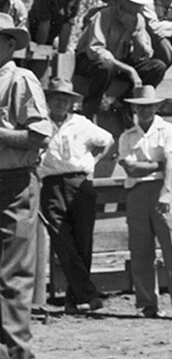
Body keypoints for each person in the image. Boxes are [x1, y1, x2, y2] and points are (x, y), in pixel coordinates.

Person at [0, 14, 51, 359]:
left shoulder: (20, 80)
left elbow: (38, 136)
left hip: (15, 184)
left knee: (12, 277)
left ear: (8, 44)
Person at [117, 85, 172, 320]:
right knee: (141, 250)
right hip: (137, 192)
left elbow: (171, 161)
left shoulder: (169, 130)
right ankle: (147, 304)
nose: (145, 110)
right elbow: (131, 169)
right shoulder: (127, 136)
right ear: (133, 107)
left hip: (165, 189)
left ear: (157, 106)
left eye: (150, 106)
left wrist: (166, 188)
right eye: (140, 106)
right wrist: (161, 165)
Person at [37, 79, 113, 314]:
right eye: (57, 98)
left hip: (80, 182)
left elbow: (107, 140)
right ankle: (88, 294)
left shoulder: (80, 123)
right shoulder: (40, 123)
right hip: (51, 184)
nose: (61, 103)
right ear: (48, 100)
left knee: (82, 242)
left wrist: (95, 162)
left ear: (72, 103)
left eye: (66, 100)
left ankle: (75, 299)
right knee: (61, 239)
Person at [74, 0, 167, 118]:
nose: (134, 7)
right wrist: (130, 70)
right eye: (131, 2)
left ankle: (124, 106)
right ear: (121, 0)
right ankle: (90, 112)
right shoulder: (103, 15)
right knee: (105, 67)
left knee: (157, 67)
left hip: (118, 62)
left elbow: (145, 54)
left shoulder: (139, 20)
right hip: (90, 61)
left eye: (137, 4)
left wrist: (134, 33)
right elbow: (96, 51)